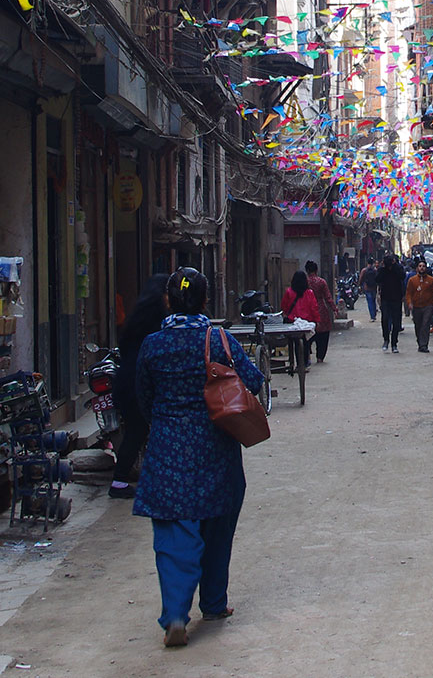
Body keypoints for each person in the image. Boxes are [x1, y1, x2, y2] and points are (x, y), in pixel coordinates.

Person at [134, 267, 268, 647]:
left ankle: (176, 613)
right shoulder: (219, 340)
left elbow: (143, 399)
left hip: (167, 453)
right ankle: (213, 602)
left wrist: (165, 423)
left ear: (168, 301)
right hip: (216, 451)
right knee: (217, 528)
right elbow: (254, 381)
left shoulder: (153, 345)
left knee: (174, 534)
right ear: (205, 301)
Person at [109, 275, 171, 500]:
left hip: (127, 380)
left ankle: (125, 479)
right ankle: (119, 482)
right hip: (137, 383)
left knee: (138, 431)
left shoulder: (138, 317)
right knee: (138, 430)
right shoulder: (157, 322)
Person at [280, 269, 325, 371]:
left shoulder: (289, 292)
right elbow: (314, 308)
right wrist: (317, 320)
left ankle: (294, 363)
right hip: (306, 322)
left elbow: (284, 307)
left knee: (294, 343)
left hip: (293, 322)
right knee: (305, 342)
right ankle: (304, 363)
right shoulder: (309, 293)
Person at [302, 260, 335, 363]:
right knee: (323, 336)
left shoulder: (304, 282)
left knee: (307, 336)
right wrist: (334, 308)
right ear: (316, 270)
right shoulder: (321, 282)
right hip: (321, 309)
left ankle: (306, 357)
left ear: (307, 270)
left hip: (307, 311)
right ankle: (320, 357)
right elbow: (328, 297)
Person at [375, 254, 408, 353]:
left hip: (396, 299)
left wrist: (395, 267)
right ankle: (386, 340)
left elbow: (402, 276)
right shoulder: (382, 270)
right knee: (385, 319)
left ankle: (394, 343)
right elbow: (377, 279)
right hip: (385, 299)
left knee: (396, 322)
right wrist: (384, 269)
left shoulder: (398, 269)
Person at [406, 261, 433, 353]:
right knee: (418, 325)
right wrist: (409, 303)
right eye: (420, 266)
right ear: (417, 268)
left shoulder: (431, 280)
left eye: (423, 266)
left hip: (428, 306)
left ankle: (424, 345)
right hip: (416, 306)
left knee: (425, 324)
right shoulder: (412, 280)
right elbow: (408, 293)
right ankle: (420, 342)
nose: (422, 268)